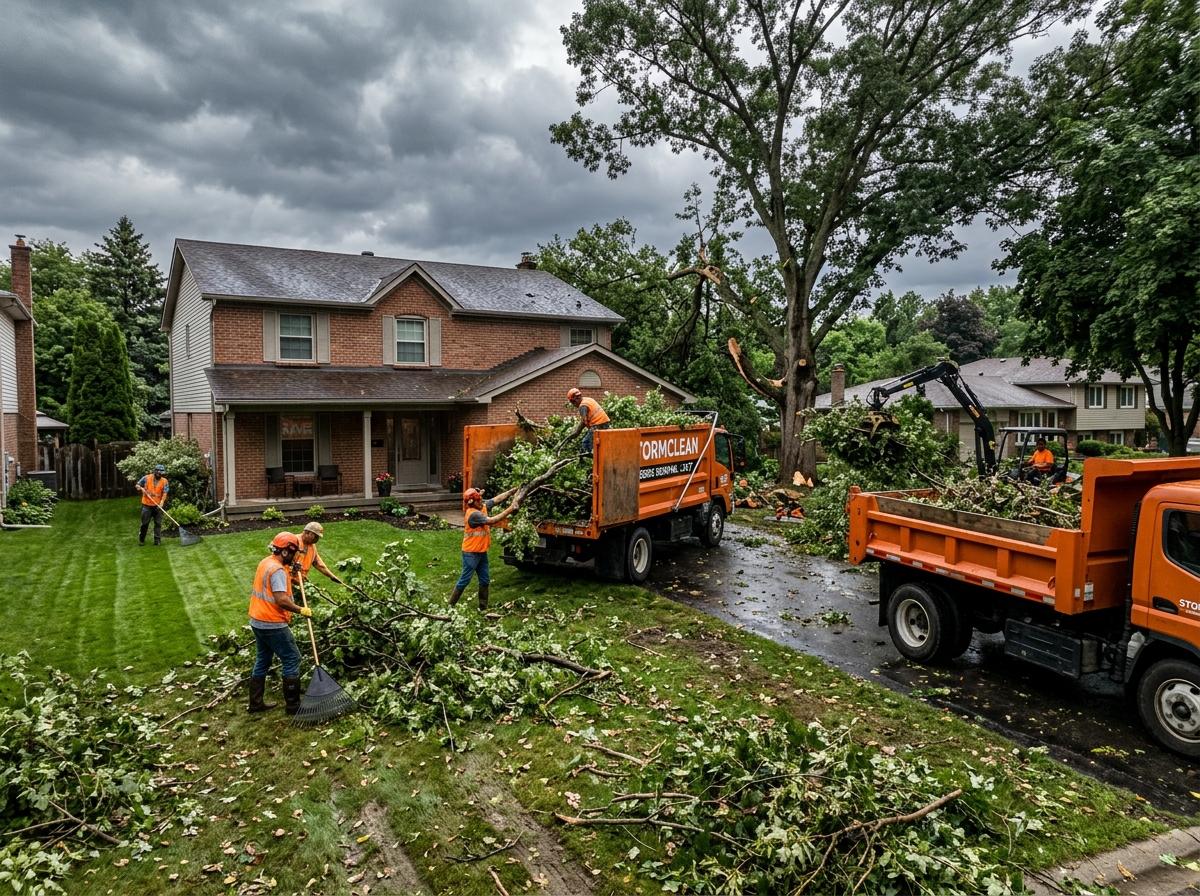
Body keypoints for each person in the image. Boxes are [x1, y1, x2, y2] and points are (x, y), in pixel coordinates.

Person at [247, 531, 312, 715]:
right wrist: (301, 610)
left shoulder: (267, 562)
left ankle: (255, 703)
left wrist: (293, 570)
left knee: (263, 659)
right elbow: (281, 599)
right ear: (285, 552)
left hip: (257, 620)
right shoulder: (277, 571)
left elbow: (277, 579)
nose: (295, 557)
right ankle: (293, 707)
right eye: (293, 554)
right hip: (272, 622)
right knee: (292, 658)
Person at [449, 486, 520, 611]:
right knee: (464, 580)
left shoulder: (481, 506)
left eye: (481, 499)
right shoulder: (473, 515)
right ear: (472, 503)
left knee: (485, 580)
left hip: (481, 552)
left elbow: (496, 499)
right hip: (471, 553)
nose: (481, 502)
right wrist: (511, 508)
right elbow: (493, 520)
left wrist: (512, 491)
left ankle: (483, 608)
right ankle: (450, 606)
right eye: (479, 501)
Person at [566, 388, 610, 455]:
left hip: (598, 424)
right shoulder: (587, 399)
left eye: (573, 403)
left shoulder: (582, 406)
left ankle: (590, 460)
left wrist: (576, 432)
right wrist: (576, 432)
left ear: (574, 400)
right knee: (599, 443)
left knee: (586, 442)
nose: (574, 405)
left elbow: (584, 422)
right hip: (605, 422)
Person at [136, 464, 170, 546]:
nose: (160, 474)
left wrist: (161, 502)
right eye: (158, 472)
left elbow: (165, 493)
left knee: (158, 523)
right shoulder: (146, 478)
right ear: (155, 471)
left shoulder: (165, 481)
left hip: (157, 506)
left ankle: (157, 540)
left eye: (161, 473)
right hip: (147, 505)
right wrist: (140, 488)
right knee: (145, 523)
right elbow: (137, 485)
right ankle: (141, 539)